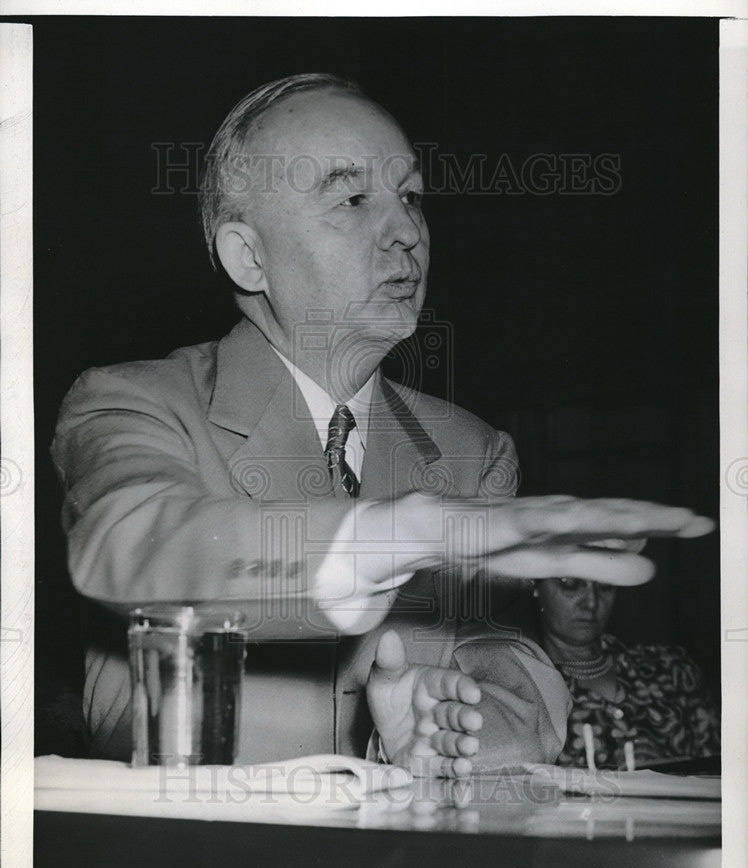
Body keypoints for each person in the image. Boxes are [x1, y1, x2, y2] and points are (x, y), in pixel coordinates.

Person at [51, 73, 713, 774]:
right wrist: (398, 533)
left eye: (411, 197)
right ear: (250, 257)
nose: (406, 233)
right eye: (353, 198)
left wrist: (459, 735)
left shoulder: (472, 452)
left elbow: (514, 664)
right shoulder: (132, 400)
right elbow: (129, 545)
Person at [529, 575, 720, 768]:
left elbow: (724, 771)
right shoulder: (526, 688)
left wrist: (667, 770)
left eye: (605, 586)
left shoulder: (672, 669)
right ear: (535, 586)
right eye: (570, 584)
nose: (591, 603)